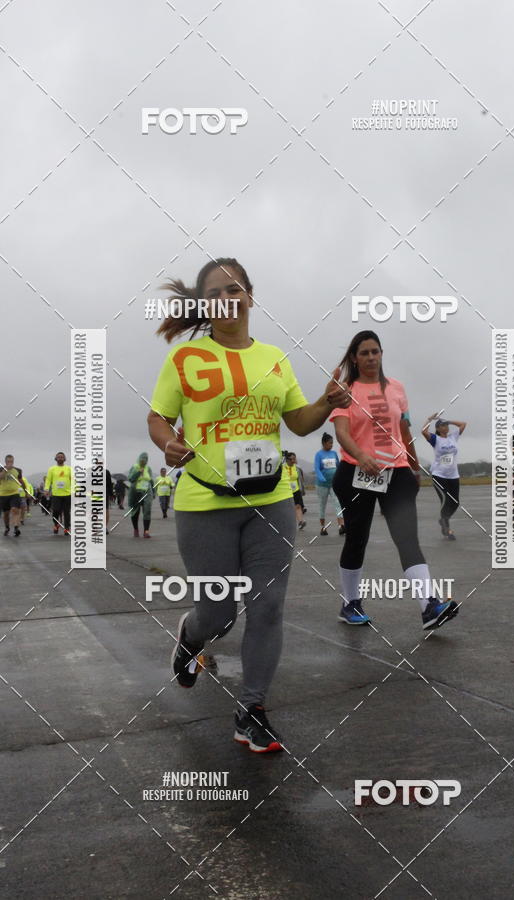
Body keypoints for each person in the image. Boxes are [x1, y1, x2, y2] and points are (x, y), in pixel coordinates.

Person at [147, 256, 350, 753]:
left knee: (268, 606)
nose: (230, 297)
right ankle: (193, 636)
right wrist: (167, 443)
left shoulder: (275, 359)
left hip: (272, 500)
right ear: (206, 303)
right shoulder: (184, 360)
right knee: (217, 612)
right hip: (204, 503)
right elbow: (158, 418)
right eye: (218, 291)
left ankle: (252, 710)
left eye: (237, 288)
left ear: (251, 297)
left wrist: (327, 402)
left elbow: (299, 422)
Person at [330, 330, 459, 629]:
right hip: (356, 472)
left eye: (376, 351)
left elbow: (404, 431)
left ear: (382, 354)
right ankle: (350, 604)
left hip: (396, 471)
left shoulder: (397, 388)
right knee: (357, 538)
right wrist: (361, 456)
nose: (371, 357)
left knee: (407, 538)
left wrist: (413, 468)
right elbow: (342, 432)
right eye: (365, 353)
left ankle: (429, 606)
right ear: (354, 357)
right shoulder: (344, 389)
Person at [421, 414, 466, 540]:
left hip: (453, 475)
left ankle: (443, 520)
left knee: (455, 502)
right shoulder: (435, 439)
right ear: (438, 429)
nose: (445, 427)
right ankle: (447, 529)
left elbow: (463, 424)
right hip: (439, 475)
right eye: (442, 425)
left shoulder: (453, 437)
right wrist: (429, 419)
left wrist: (449, 420)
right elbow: (423, 431)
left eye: (446, 425)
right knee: (445, 501)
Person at [314, 432, 345, 535]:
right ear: (324, 443)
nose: (331, 445)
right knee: (322, 506)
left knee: (338, 503)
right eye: (330, 443)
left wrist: (341, 477)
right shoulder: (319, 454)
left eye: (332, 443)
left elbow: (338, 465)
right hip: (322, 485)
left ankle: (341, 526)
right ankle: (323, 527)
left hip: (333, 484)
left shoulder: (334, 453)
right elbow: (317, 469)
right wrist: (322, 478)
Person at [44, 452, 72, 536]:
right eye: (58, 457)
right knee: (56, 511)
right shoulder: (51, 469)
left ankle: (67, 528)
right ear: (56, 459)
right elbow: (48, 480)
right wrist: (46, 489)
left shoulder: (69, 469)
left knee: (66, 512)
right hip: (56, 494)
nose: (60, 458)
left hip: (67, 494)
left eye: (62, 457)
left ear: (64, 459)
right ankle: (56, 525)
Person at [128, 453, 154, 538]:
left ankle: (146, 531)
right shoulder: (134, 467)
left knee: (147, 511)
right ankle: (136, 529)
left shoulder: (148, 468)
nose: (143, 461)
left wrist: (153, 492)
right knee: (135, 511)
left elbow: (151, 480)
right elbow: (131, 479)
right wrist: (139, 472)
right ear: (139, 459)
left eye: (145, 460)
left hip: (147, 492)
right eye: (142, 460)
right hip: (135, 492)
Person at [0, 454, 25, 537]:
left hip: (14, 493)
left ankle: (16, 528)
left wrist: (26, 492)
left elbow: (21, 481)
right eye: (8, 461)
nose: (10, 463)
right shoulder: (1, 469)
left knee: (15, 510)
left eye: (11, 461)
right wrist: (5, 469)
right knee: (6, 513)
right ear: (5, 462)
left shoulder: (18, 470)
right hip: (3, 494)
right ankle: (7, 527)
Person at [283, 452, 305, 530]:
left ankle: (300, 522)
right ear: (287, 459)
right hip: (286, 491)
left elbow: (300, 479)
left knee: (298, 506)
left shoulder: (297, 468)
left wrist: (301, 489)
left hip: (295, 490)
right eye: (291, 459)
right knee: (287, 509)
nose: (293, 461)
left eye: (294, 459)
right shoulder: (283, 467)